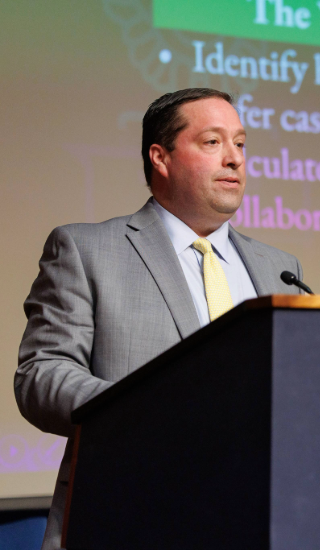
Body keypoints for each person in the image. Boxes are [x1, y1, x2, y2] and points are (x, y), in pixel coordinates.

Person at [15, 88, 304, 549]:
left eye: (240, 144)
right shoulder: (87, 251)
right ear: (160, 157)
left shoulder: (280, 269)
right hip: (132, 520)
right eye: (213, 142)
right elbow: (40, 376)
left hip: (260, 523)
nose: (234, 159)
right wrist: (146, 411)